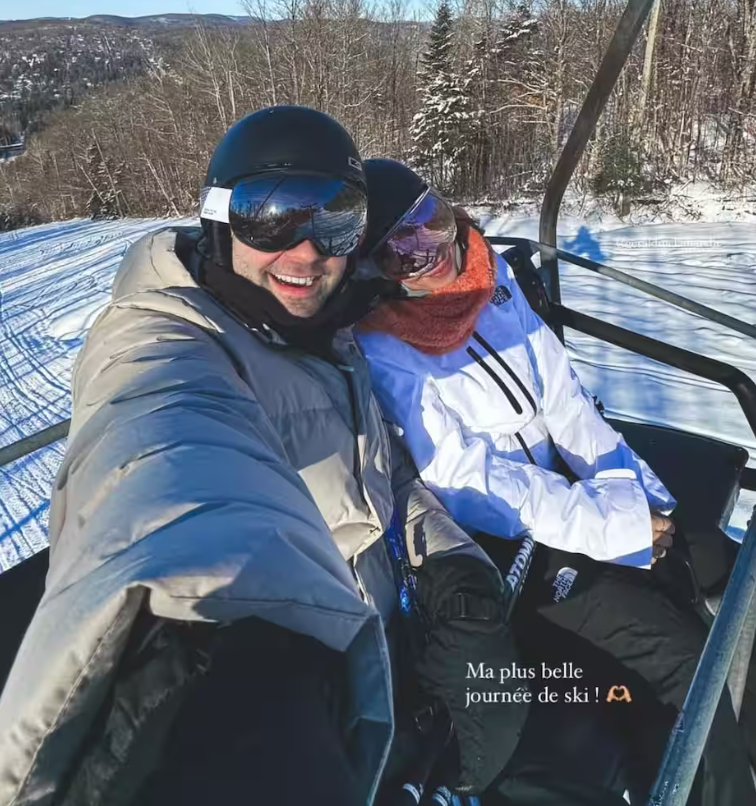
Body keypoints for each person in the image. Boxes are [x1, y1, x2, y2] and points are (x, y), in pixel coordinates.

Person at [0, 109, 528, 806]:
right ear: (219, 222)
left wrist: (448, 555)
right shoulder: (167, 335)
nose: (306, 253)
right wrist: (236, 678)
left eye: (335, 222)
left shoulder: (328, 332)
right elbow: (167, 451)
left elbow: (385, 470)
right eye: (268, 218)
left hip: (396, 636)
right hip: (320, 667)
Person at [354, 157, 756, 805]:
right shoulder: (387, 350)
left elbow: (566, 405)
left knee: (729, 570)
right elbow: (468, 483)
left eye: (434, 224)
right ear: (375, 274)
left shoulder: (494, 282)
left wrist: (644, 498)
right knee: (685, 665)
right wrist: (617, 528)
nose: (436, 253)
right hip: (512, 552)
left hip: (581, 501)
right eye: (404, 253)